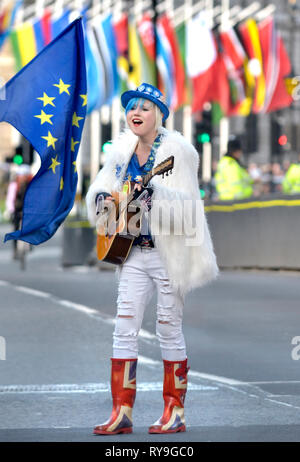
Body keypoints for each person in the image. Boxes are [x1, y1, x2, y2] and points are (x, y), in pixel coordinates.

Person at [86, 83, 218, 435]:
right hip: (131, 252)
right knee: (123, 327)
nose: (137, 113)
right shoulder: (120, 150)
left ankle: (175, 412)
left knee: (167, 327)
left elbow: (189, 213)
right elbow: (102, 189)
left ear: (158, 114)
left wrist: (155, 192)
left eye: (145, 107)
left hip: (168, 254)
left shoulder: (178, 152)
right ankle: (122, 411)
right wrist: (101, 202)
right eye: (132, 107)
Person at [214, 136, 253, 201]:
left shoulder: (226, 162)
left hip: (228, 200)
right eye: (239, 151)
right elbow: (235, 185)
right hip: (234, 202)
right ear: (235, 151)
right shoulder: (230, 164)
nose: (240, 153)